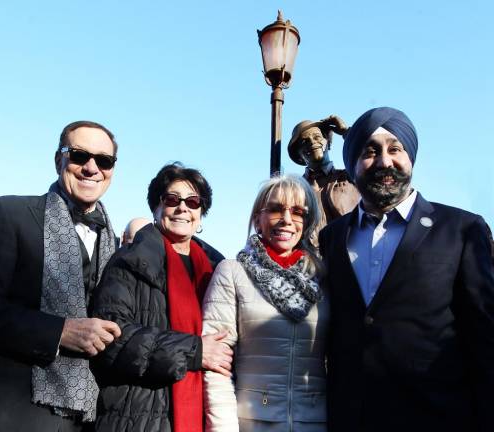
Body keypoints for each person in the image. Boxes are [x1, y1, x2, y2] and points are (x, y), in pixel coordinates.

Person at [319, 107, 494, 432]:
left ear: (410, 157)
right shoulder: (332, 237)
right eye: (370, 151)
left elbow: (485, 342)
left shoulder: (461, 230)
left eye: (394, 149)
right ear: (354, 164)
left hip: (438, 419)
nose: (385, 161)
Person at [0, 120, 122, 432]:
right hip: (15, 415)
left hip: (91, 417)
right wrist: (58, 332)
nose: (91, 168)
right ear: (58, 159)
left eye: (103, 160)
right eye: (78, 155)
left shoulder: (117, 243)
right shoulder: (6, 213)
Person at [90, 162, 232, 432]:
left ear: (201, 213)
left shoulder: (218, 269)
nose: (183, 208)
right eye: (172, 199)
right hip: (139, 416)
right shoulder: (128, 262)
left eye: (192, 202)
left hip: (209, 414)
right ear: (156, 207)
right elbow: (110, 339)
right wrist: (194, 351)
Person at [203, 175, 329, 431]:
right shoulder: (233, 272)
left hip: (315, 422)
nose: (286, 219)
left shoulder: (324, 278)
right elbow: (216, 365)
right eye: (275, 209)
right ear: (257, 219)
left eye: (298, 212)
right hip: (251, 422)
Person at [288, 115, 360, 248]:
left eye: (317, 137)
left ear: (329, 142)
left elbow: (370, 157)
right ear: (299, 155)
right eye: (304, 141)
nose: (311, 142)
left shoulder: (351, 176)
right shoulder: (293, 190)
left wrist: (347, 132)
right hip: (309, 264)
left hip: (352, 259)